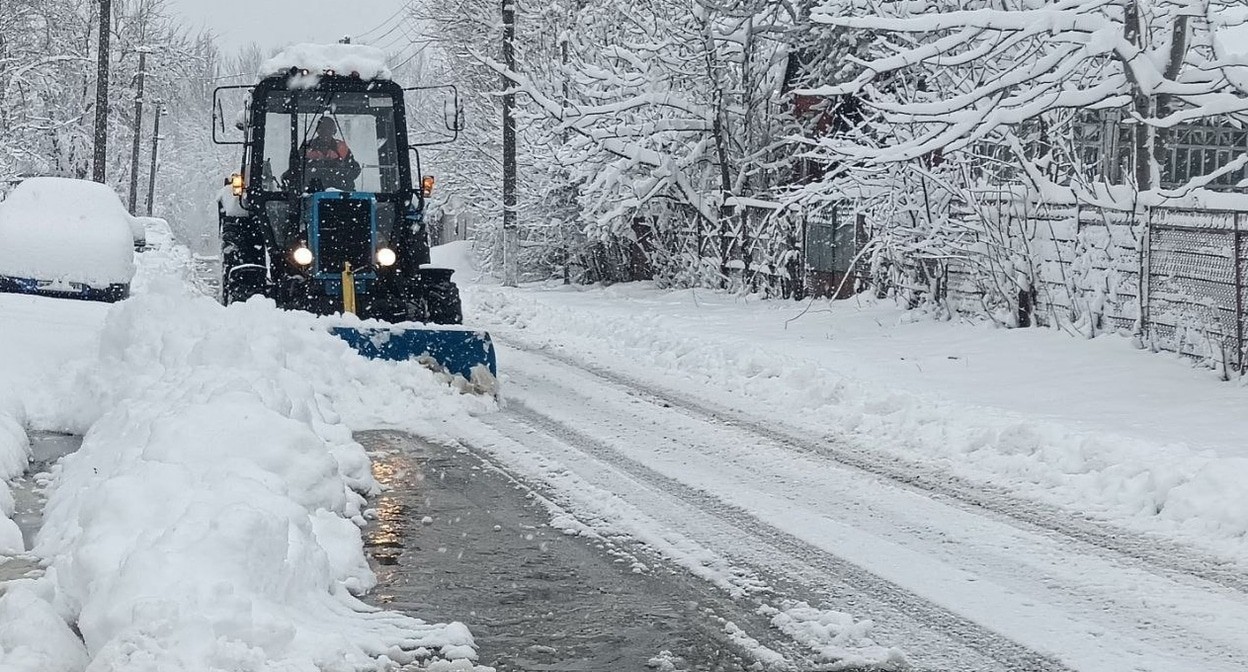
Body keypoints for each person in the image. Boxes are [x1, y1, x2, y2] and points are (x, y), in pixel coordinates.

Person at [302, 116, 361, 191]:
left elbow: (354, 170)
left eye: (329, 129)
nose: (325, 132)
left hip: (341, 193)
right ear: (317, 130)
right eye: (322, 129)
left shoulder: (342, 148)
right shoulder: (307, 148)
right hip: (311, 194)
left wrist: (339, 172)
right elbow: (297, 170)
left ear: (334, 131)